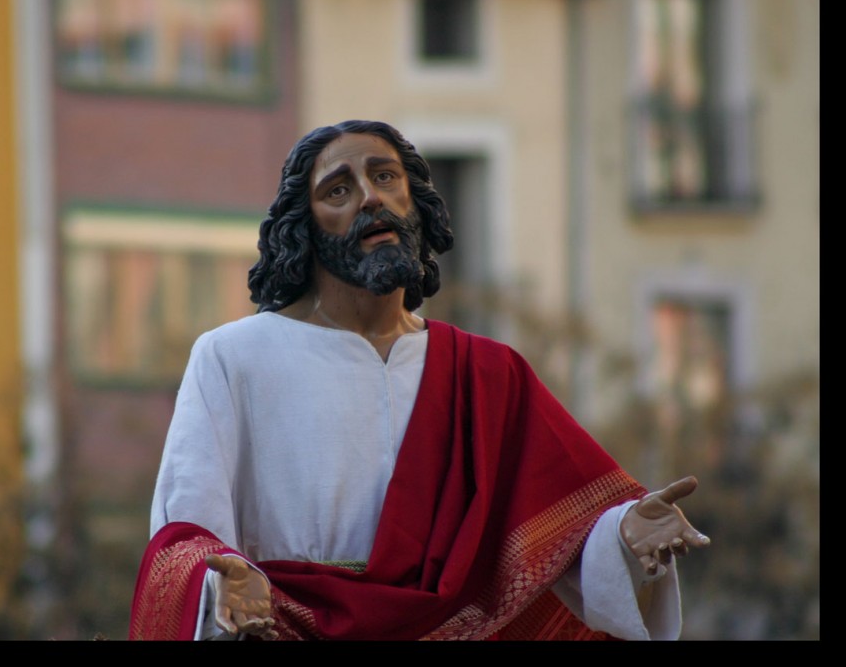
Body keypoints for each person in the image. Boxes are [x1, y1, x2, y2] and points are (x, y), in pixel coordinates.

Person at [129, 120, 710, 641]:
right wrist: (222, 584)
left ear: (417, 202)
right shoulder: (233, 357)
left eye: (385, 176)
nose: (370, 197)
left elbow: (558, 533)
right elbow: (185, 535)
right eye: (338, 190)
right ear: (303, 228)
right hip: (284, 629)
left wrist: (624, 534)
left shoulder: (487, 372)